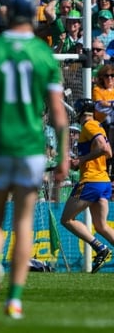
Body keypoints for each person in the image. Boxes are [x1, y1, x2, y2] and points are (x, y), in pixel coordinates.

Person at [0, 0, 69, 320]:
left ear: (7, 14)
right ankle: (16, 300)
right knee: (23, 223)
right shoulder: (43, 54)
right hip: (31, 148)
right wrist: (63, 156)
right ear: (34, 14)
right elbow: (59, 115)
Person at [60, 99, 114, 274]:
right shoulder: (98, 126)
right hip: (103, 181)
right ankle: (102, 249)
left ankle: (100, 249)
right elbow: (107, 152)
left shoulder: (89, 126)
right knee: (101, 226)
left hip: (91, 182)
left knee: (67, 219)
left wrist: (80, 160)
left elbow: (105, 150)